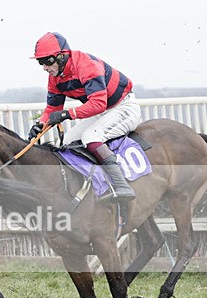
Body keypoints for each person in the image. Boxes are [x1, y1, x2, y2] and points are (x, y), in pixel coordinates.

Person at [29, 32, 140, 202]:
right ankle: (87, 187)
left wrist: (67, 114)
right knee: (66, 143)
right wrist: (40, 124)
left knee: (90, 136)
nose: (44, 67)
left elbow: (98, 103)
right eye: (40, 62)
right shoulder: (55, 77)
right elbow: (53, 108)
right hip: (103, 113)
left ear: (62, 56)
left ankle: (121, 186)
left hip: (123, 107)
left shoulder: (86, 66)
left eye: (47, 61)